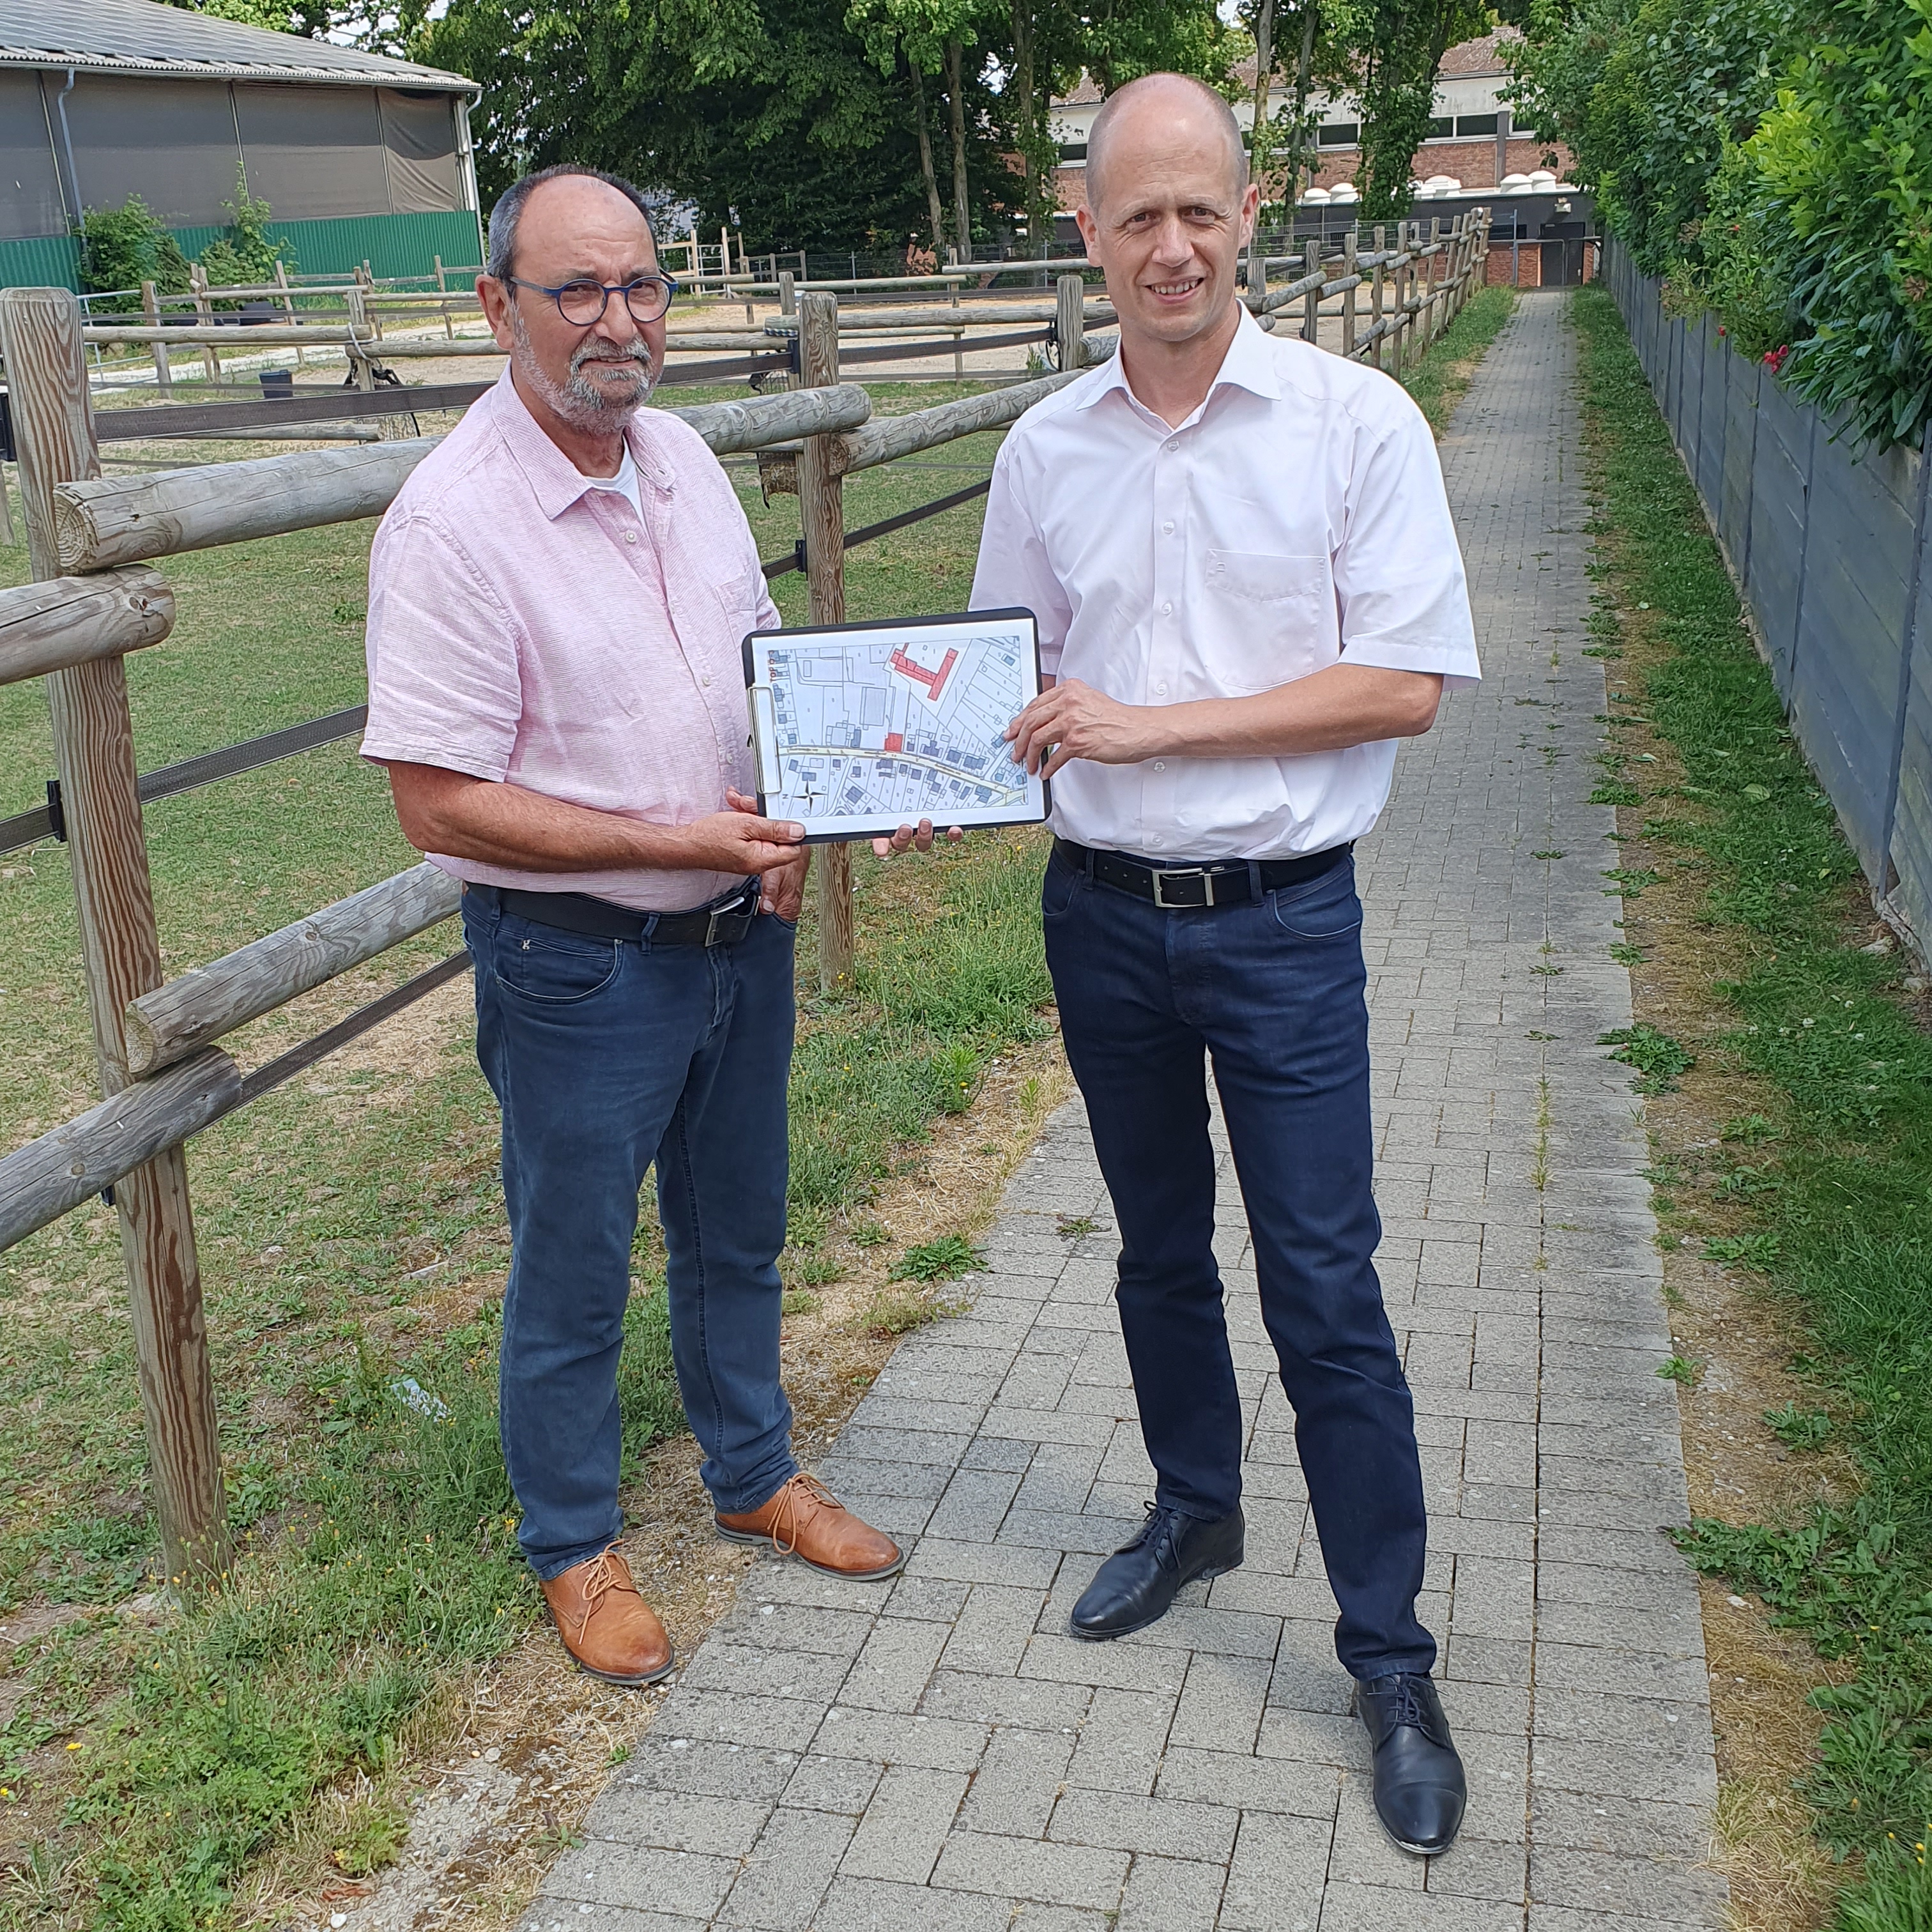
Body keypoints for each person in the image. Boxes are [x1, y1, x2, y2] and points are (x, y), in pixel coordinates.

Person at [963, 75, 1480, 1855]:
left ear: (1250, 217)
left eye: (1201, 211)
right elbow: (1005, 684)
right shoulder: (1046, 452)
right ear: (1086, 228)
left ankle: (1391, 1656)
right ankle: (1198, 1510)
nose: (1170, 247)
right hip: (1101, 918)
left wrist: (1155, 728)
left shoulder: (1355, 423)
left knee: (1325, 1288)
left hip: (1281, 928)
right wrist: (904, 775)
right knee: (1159, 1257)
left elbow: (1400, 682)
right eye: (1136, 216)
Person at [360, 164, 903, 1689]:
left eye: (643, 286)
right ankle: (575, 1542)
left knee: (738, 1233)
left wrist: (804, 808)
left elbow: (762, 665)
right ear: (497, 308)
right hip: (580, 962)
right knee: (576, 1263)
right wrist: (676, 836)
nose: (619, 321)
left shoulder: (680, 460)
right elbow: (437, 801)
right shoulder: (455, 525)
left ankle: (751, 1473)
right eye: (577, 291)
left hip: (738, 932)